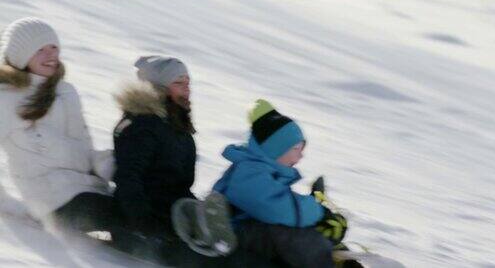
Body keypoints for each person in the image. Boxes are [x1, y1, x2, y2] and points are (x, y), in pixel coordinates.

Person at [112, 55, 238, 265]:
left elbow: (178, 187)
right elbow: (128, 179)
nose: (187, 89)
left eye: (187, 83)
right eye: (178, 83)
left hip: (172, 219)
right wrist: (146, 227)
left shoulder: (178, 129)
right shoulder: (140, 127)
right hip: (140, 227)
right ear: (157, 88)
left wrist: (197, 215)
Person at [0, 17, 118, 234]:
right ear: (21, 56)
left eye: (54, 47)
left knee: (143, 207)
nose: (51, 55)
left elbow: (84, 149)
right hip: (52, 201)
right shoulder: (6, 97)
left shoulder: (66, 92)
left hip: (89, 190)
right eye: (41, 50)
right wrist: (7, 205)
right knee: (128, 217)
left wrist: (117, 167)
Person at [212, 99, 349, 268]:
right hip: (227, 242)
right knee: (288, 233)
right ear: (276, 148)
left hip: (247, 240)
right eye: (296, 149)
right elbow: (278, 207)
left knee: (303, 231)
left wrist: (318, 221)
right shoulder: (248, 172)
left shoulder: (259, 171)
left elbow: (283, 204)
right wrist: (320, 213)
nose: (300, 157)